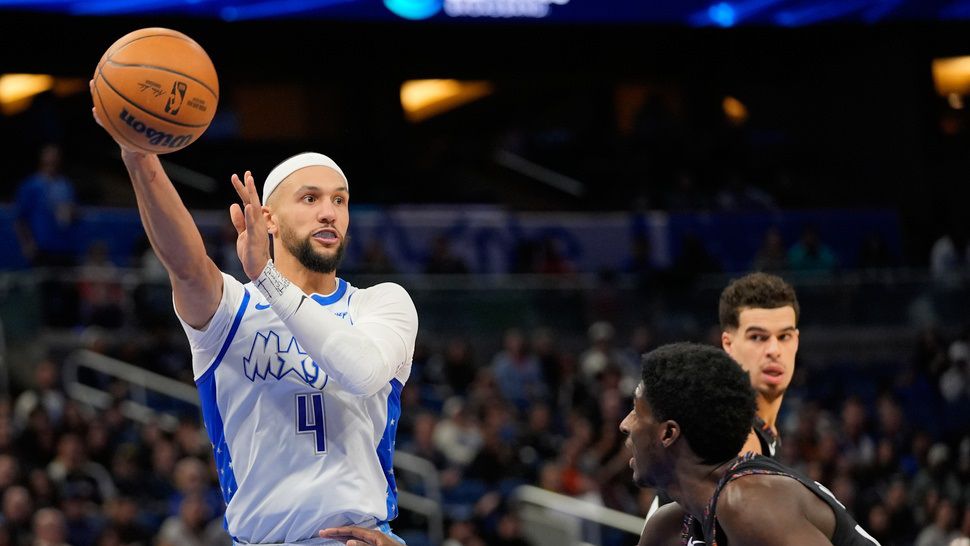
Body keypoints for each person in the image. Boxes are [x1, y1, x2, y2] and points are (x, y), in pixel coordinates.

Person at [91, 91, 418, 546]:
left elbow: (361, 372)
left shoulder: (382, 303)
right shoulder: (231, 311)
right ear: (268, 219)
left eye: (340, 201)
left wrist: (269, 277)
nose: (329, 212)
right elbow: (186, 264)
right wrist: (138, 154)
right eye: (310, 198)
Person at [319, 343, 878, 546]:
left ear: (668, 432)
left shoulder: (750, 501)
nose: (621, 427)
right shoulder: (670, 523)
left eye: (635, 409)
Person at [645, 271, 801, 520]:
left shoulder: (758, 433)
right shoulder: (733, 440)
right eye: (758, 337)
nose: (774, 350)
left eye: (784, 336)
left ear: (796, 341)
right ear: (728, 344)